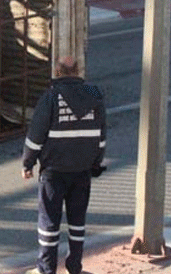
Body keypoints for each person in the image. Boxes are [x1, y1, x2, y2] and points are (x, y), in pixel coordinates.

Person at [21, 56, 107, 274]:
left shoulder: (50, 98)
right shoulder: (95, 95)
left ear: (57, 72)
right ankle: (74, 267)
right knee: (77, 223)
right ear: (78, 71)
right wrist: (96, 162)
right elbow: (102, 134)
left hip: (54, 173)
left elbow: (35, 136)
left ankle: (46, 269)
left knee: (49, 223)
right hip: (82, 172)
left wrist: (27, 163)